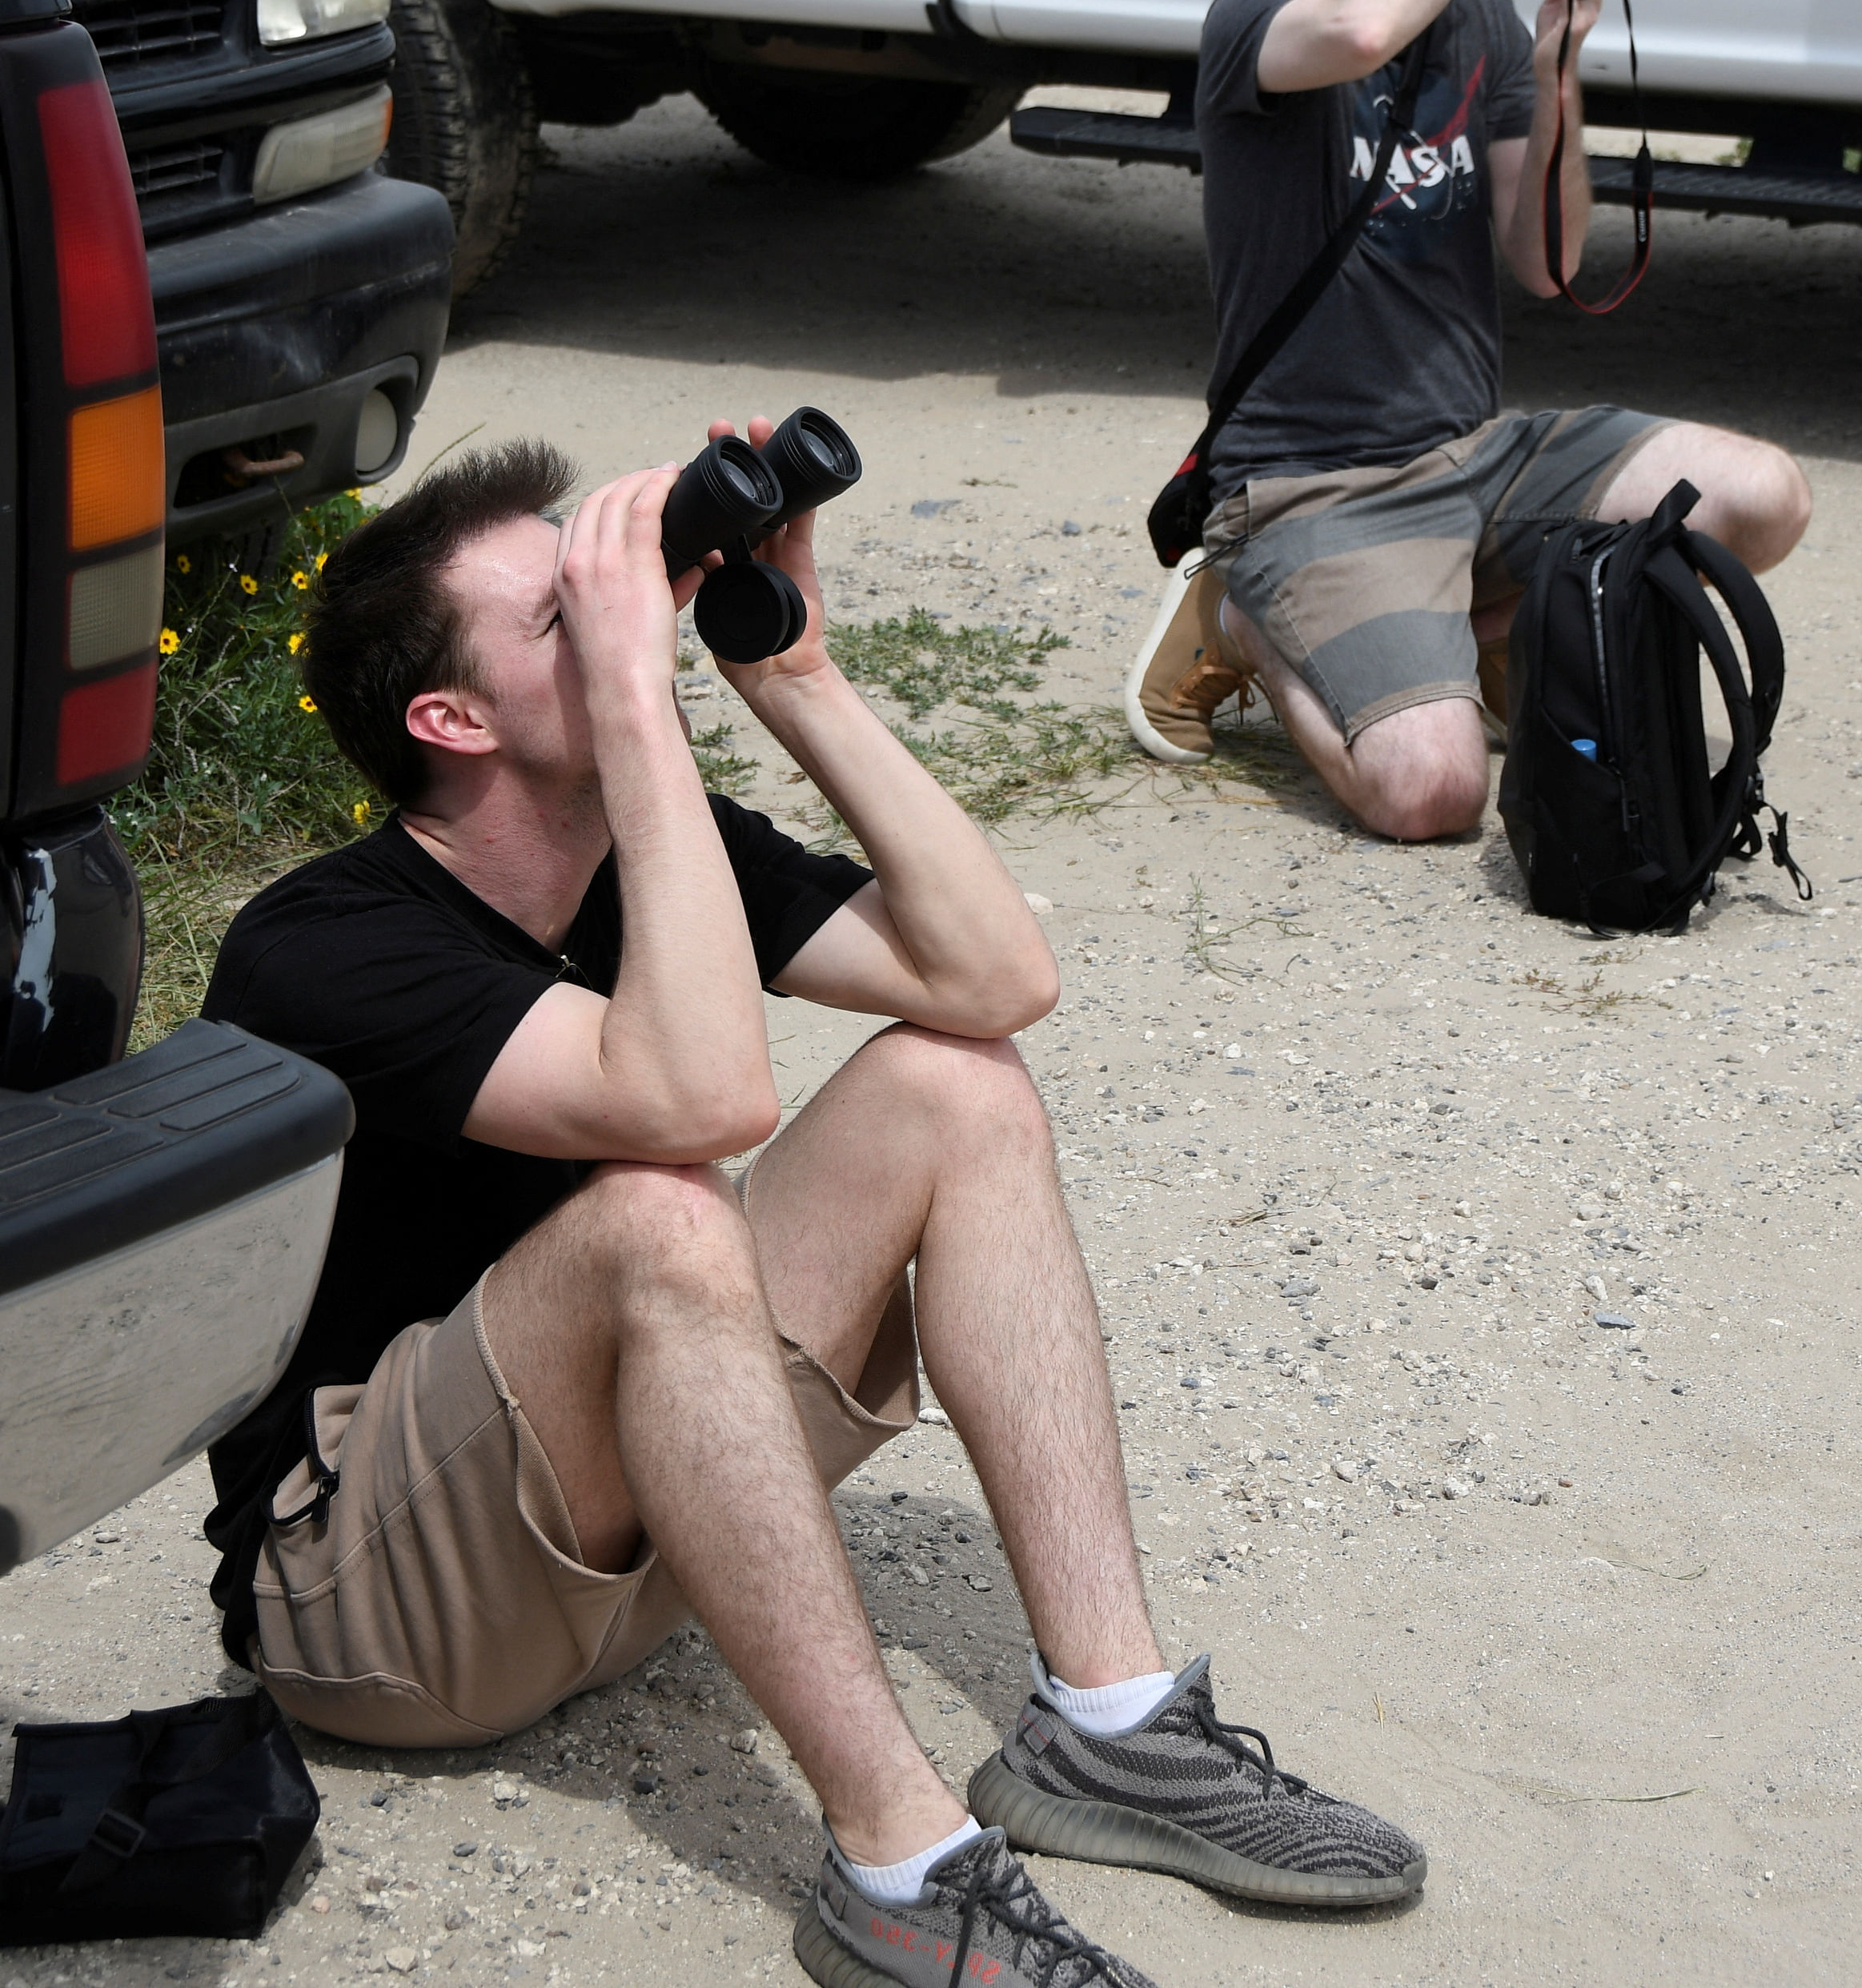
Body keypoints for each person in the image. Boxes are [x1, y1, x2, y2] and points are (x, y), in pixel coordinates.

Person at [200, 434, 1423, 1988]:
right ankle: (903, 1868)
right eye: (566, 610)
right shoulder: (320, 948)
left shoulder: (654, 847)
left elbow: (995, 977)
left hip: (613, 1524)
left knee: (956, 1087)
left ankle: (1108, 1728)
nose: (620, 609)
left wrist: (798, 682)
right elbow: (702, 1102)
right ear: (450, 720)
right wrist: (640, 707)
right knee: (664, 1214)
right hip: (370, 1604)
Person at [1126, 0, 1811, 839]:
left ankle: (1450, 624)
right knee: (1433, 795)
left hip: (1473, 459)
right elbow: (1362, 32)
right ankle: (1244, 616)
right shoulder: (1259, 15)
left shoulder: (1480, 23)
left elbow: (1544, 262)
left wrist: (1555, 72)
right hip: (1312, 486)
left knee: (1761, 496)